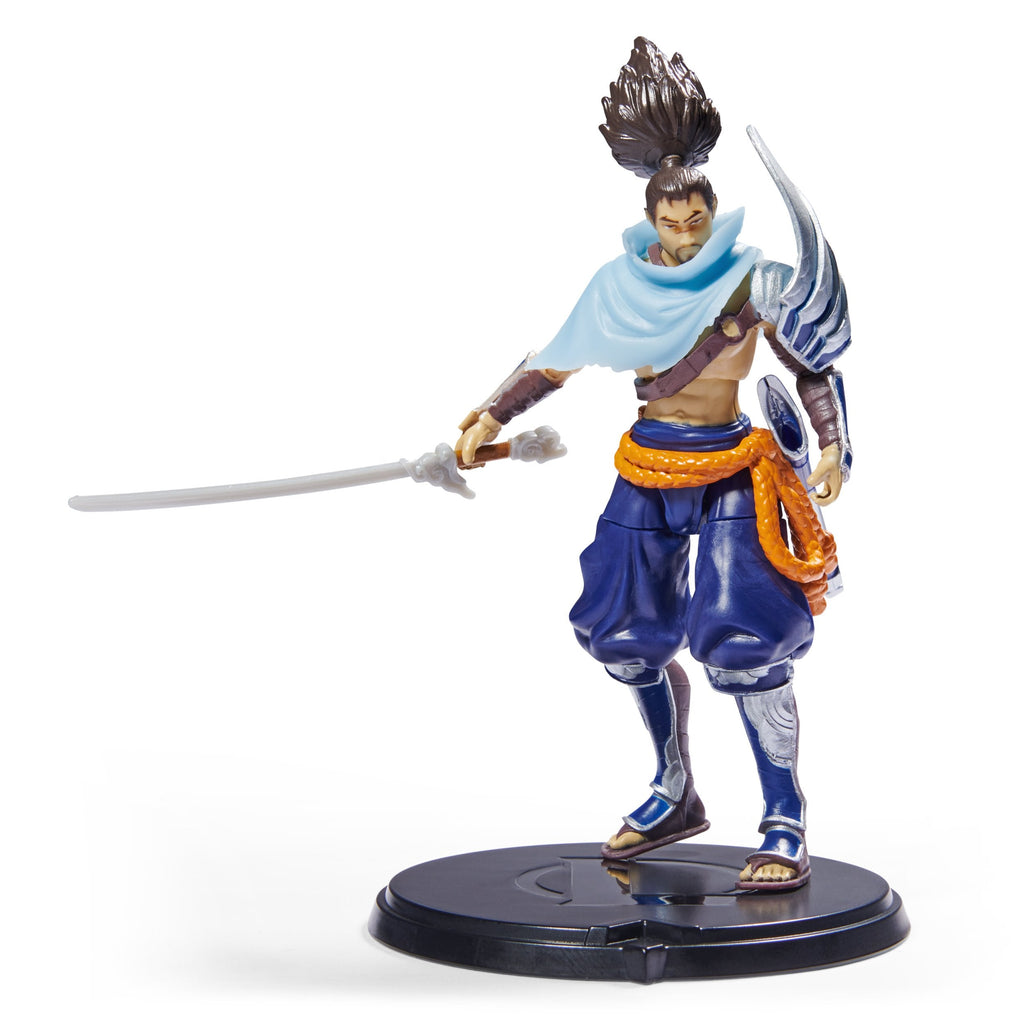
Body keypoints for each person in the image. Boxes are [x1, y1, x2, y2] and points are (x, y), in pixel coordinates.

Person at [456, 38, 851, 891]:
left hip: (733, 466)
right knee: (623, 635)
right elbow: (555, 359)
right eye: (670, 224)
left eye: (695, 221)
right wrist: (492, 414)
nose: (683, 235)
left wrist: (832, 445)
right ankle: (674, 789)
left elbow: (813, 364)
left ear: (712, 213)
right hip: (649, 464)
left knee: (742, 645)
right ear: (651, 219)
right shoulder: (619, 286)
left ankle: (784, 817)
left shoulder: (753, 283)